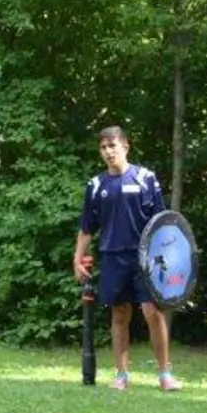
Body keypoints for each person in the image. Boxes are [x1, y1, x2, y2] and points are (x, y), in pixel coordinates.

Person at [71, 126, 183, 392]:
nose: (108, 152)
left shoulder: (146, 178)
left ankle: (165, 374)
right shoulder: (96, 186)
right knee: (119, 314)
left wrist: (167, 257)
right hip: (112, 257)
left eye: (112, 146)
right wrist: (77, 259)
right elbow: (86, 228)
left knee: (152, 311)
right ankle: (121, 375)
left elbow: (163, 223)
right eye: (103, 147)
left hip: (146, 258)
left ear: (125, 147)